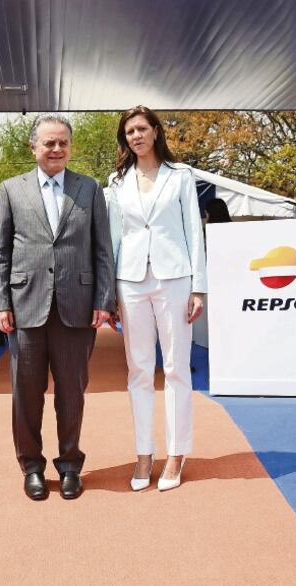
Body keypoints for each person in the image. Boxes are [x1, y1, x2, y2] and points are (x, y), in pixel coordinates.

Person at [0, 113, 115, 501]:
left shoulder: (90, 189)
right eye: (49, 143)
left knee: (72, 393)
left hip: (77, 307)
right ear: (33, 147)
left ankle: (70, 464)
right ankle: (31, 466)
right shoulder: (11, 190)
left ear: (70, 147)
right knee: (26, 393)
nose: (57, 149)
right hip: (26, 306)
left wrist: (104, 300)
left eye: (63, 142)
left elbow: (102, 250)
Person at [106, 105, 207, 492]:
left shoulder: (180, 177)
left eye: (142, 128)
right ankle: (143, 452)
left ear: (155, 131)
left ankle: (177, 453)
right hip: (130, 281)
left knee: (177, 367)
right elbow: (115, 239)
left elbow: (193, 231)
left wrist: (199, 286)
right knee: (139, 370)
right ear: (125, 138)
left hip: (174, 278)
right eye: (129, 131)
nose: (136, 136)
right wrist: (110, 291)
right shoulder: (117, 181)